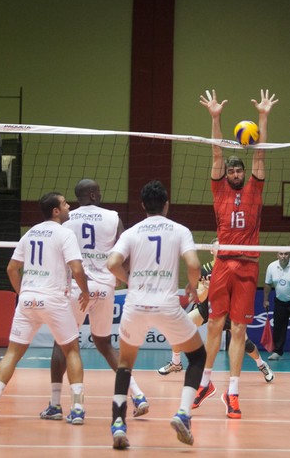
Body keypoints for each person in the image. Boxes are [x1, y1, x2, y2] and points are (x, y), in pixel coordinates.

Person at [193, 89, 277, 419]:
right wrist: (215, 117)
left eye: (239, 170)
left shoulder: (255, 186)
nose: (235, 174)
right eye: (232, 171)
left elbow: (260, 156)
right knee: (214, 324)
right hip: (224, 264)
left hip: (248, 265)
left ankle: (233, 392)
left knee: (239, 330)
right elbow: (216, 154)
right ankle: (205, 382)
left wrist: (263, 117)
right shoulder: (219, 188)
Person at [106, 180, 205, 448]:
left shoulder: (133, 232)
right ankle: (183, 413)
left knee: (125, 364)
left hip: (135, 305)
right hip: (167, 306)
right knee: (197, 357)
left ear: (142, 205)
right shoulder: (180, 230)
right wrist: (193, 287)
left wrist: (130, 281)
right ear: (166, 204)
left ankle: (118, 423)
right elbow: (194, 264)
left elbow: (112, 263)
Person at [38, 179, 148, 421]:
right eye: (98, 191)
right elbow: (124, 256)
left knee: (62, 345)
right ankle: (138, 395)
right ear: (93, 195)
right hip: (105, 288)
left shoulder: (66, 220)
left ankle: (56, 405)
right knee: (104, 344)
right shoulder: (113, 217)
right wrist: (127, 277)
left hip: (79, 289)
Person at [0, 192, 90, 425]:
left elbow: (11, 268)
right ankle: (77, 408)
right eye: (65, 203)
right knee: (71, 351)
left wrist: (22, 293)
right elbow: (77, 270)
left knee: (12, 353)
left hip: (28, 301)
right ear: (56, 211)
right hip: (54, 300)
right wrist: (86, 293)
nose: (69, 206)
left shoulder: (30, 233)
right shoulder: (65, 233)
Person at [158, 238, 274, 382]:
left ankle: (262, 364)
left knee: (246, 344)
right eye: (217, 248)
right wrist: (206, 289)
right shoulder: (205, 269)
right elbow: (200, 296)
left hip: (228, 312)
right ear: (211, 250)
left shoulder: (232, 269)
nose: (220, 250)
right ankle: (176, 362)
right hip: (206, 308)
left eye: (222, 247)